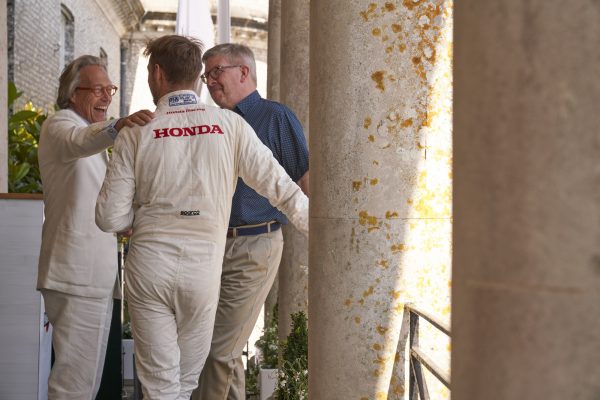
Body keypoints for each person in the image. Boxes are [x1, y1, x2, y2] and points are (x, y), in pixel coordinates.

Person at [94, 35, 308, 400]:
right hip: (204, 265)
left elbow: (109, 218)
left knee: (160, 384)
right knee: (186, 381)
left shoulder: (136, 131)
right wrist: (326, 238)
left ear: (157, 74)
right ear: (196, 76)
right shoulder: (230, 125)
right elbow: (284, 190)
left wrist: (141, 213)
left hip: (151, 264)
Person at [192, 43, 309, 400]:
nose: (209, 82)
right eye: (205, 74)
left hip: (254, 246)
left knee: (217, 350)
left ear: (244, 72)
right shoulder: (211, 124)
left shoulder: (275, 117)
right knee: (225, 350)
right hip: (212, 246)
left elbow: (303, 181)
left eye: (216, 72)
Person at [37, 55, 153, 399]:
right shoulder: (60, 126)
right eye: (98, 89)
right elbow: (80, 141)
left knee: (83, 383)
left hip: (91, 278)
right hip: (77, 276)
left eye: (110, 89)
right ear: (73, 93)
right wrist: (119, 126)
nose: (106, 97)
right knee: (74, 385)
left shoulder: (88, 135)